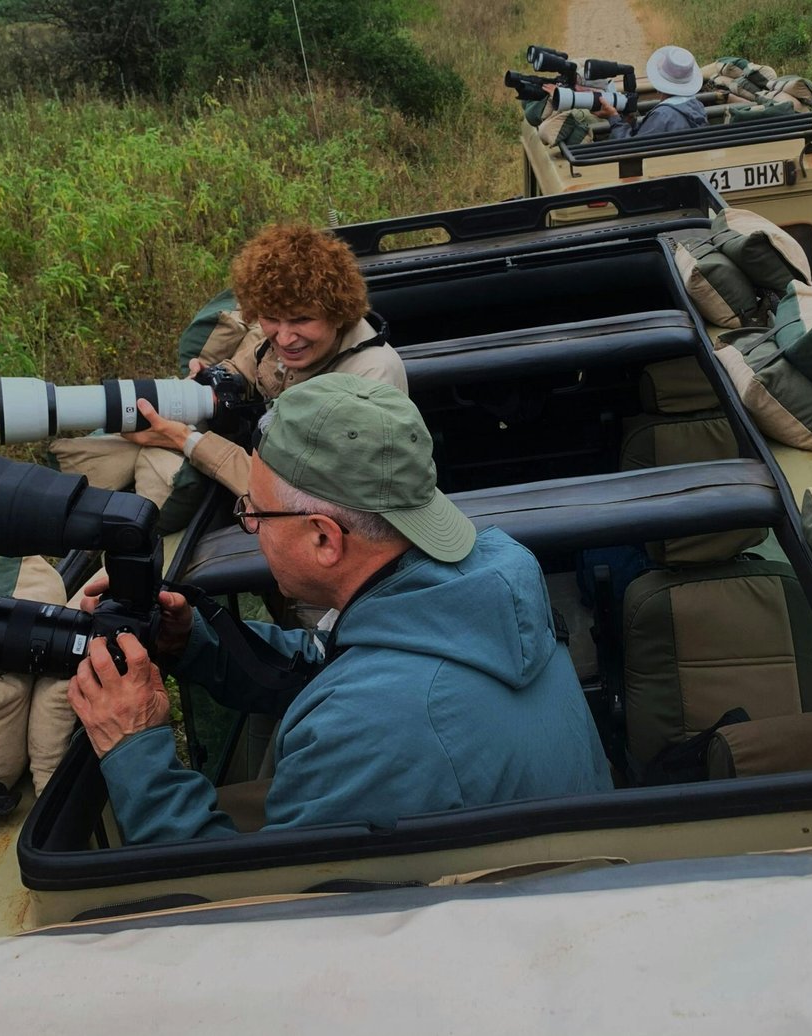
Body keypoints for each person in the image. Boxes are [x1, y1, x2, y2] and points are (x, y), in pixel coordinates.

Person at [67, 375, 614, 844]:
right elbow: (341, 659)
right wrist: (195, 642)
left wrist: (134, 747)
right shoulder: (487, 576)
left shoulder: (367, 729)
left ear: (325, 539)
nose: (249, 525)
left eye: (253, 511)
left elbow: (250, 909)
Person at [118, 224, 406, 497]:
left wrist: (187, 440)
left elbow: (302, 495)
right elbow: (244, 368)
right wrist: (213, 378)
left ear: (338, 312)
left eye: (302, 319)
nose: (284, 339)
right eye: (269, 319)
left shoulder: (370, 379)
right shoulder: (275, 339)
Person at [599, 45, 708, 139]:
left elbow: (631, 149)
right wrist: (630, 122)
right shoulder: (697, 106)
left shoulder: (662, 116)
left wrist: (613, 118)